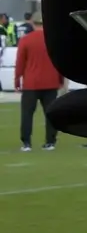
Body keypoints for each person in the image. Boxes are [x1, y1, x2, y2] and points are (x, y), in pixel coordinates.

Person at [14, 18, 61, 151]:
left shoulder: (26, 40)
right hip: (51, 81)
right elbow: (60, 60)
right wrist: (60, 79)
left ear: (33, 24)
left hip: (31, 83)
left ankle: (26, 143)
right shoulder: (53, 39)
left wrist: (17, 79)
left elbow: (20, 62)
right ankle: (50, 142)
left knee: (27, 114)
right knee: (51, 114)